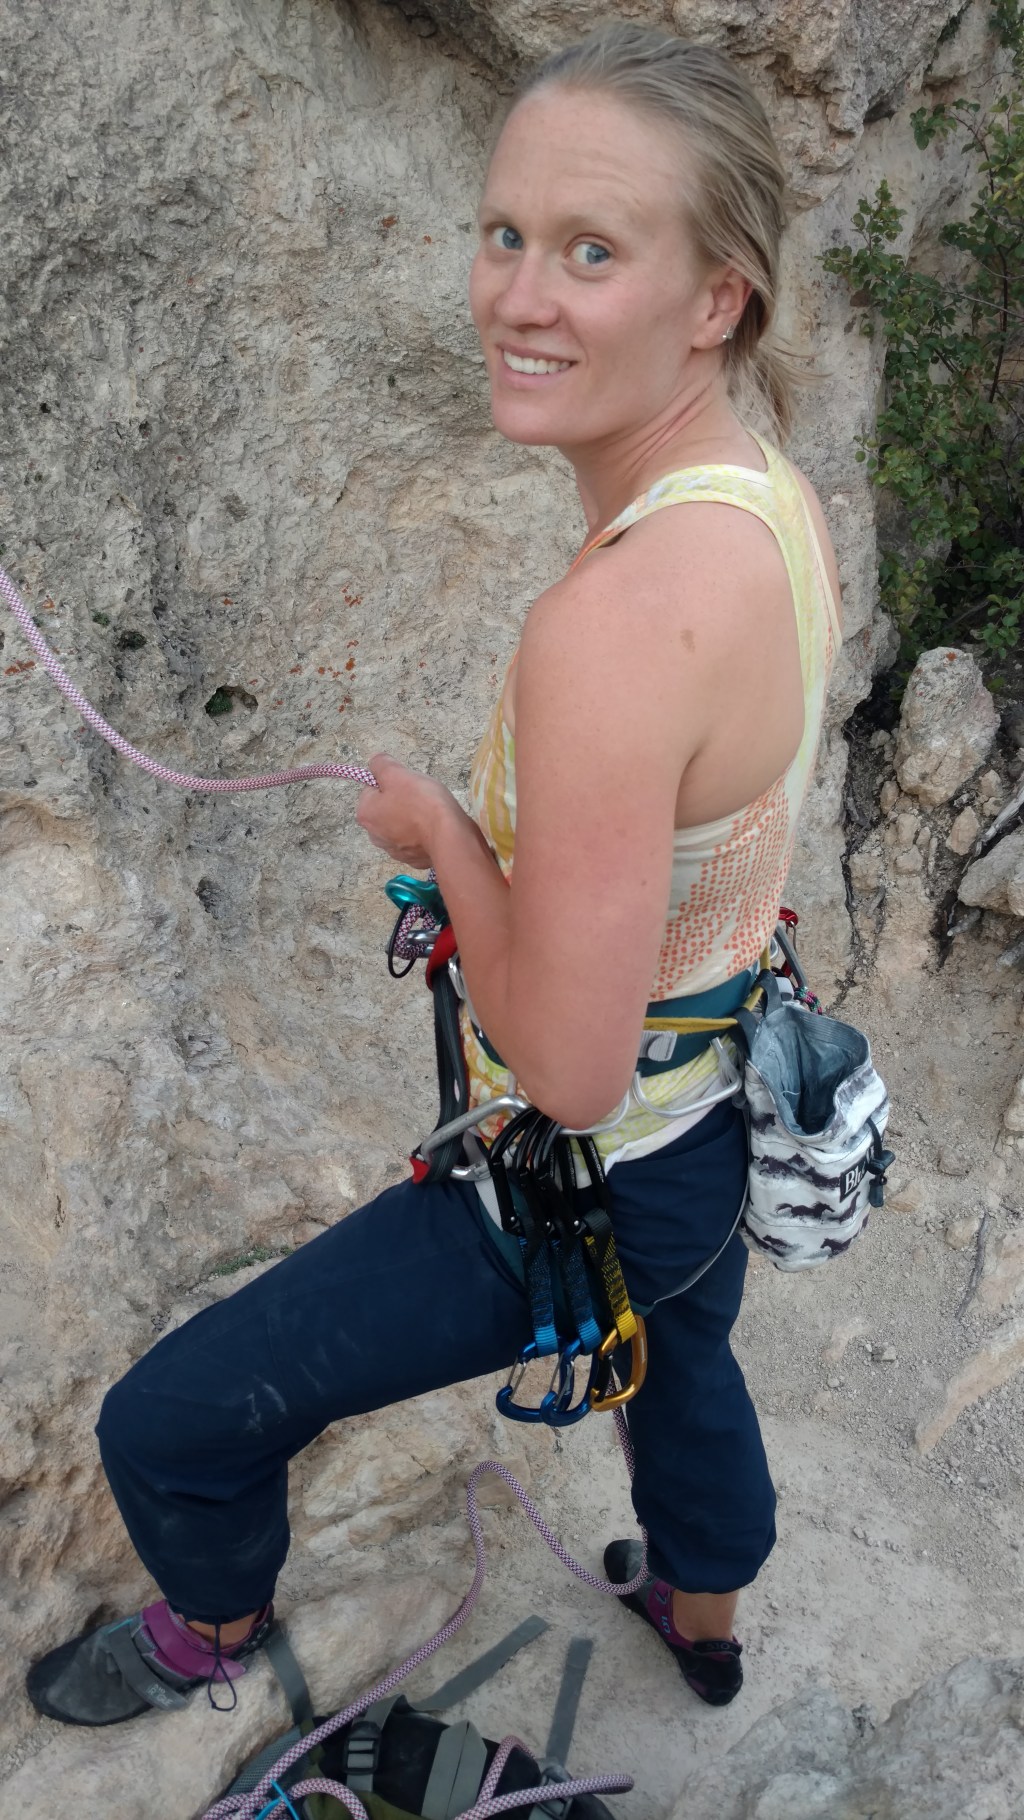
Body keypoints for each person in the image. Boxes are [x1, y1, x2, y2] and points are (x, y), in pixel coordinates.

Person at [27, 23, 842, 1730]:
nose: (518, 296)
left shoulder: (611, 625)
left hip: (604, 1157)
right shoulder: (770, 503)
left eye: (592, 251)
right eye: (506, 232)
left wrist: (449, 843)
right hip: (716, 1122)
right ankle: (705, 1616)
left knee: (170, 1420)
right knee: (683, 1360)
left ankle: (209, 1631)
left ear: (719, 298)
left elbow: (572, 1070)